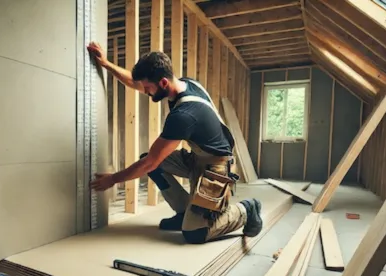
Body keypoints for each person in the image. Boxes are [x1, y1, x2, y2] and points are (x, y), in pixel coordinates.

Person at [86, 42, 263, 244]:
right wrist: (106, 63)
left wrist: (113, 179)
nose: (145, 92)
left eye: (148, 88)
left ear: (162, 83)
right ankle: (183, 213)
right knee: (150, 163)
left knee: (195, 233)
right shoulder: (185, 84)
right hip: (197, 158)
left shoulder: (184, 115)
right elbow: (136, 83)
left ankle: (245, 210)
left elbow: (150, 163)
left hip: (216, 168)